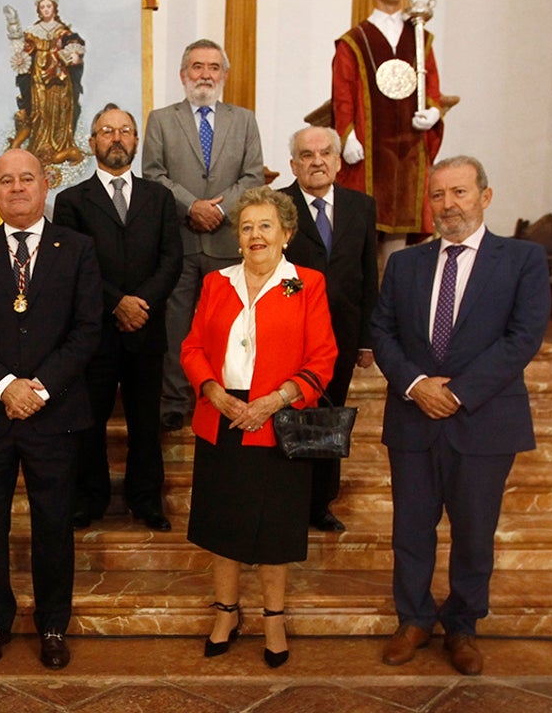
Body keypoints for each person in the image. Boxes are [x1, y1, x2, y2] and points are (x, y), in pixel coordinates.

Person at [371, 156, 549, 676]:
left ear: (485, 197)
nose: (448, 205)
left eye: (460, 193)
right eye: (438, 195)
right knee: (410, 529)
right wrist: (416, 384)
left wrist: (459, 392)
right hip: (413, 418)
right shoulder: (405, 265)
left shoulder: (522, 259)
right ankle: (414, 620)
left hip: (485, 419)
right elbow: (382, 332)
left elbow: (524, 337)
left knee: (474, 532)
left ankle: (464, 627)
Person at [0, 149, 102, 671]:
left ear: (45, 185)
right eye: (5, 180)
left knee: (53, 523)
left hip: (54, 414)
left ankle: (53, 625)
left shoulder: (77, 249)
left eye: (26, 179)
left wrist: (40, 388)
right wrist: (7, 385)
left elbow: (87, 329)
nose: (16, 188)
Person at [181, 185, 337, 669]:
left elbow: (323, 357)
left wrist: (273, 401)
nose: (255, 235)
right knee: (222, 522)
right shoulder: (216, 282)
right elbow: (191, 348)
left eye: (266, 225)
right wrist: (213, 392)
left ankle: (273, 617)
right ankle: (226, 612)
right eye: (246, 226)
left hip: (281, 418)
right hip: (222, 414)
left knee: (275, 528)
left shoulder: (306, 283)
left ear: (287, 233)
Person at [52, 103, 183, 531]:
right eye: (106, 131)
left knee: (147, 423)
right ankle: (88, 499)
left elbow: (172, 260)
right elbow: (76, 266)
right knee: (89, 422)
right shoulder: (71, 201)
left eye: (125, 131)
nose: (116, 138)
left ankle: (146, 500)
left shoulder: (160, 197)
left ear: (136, 141)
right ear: (91, 143)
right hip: (96, 333)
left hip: (147, 330)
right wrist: (117, 304)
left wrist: (141, 303)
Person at [141, 39, 265, 432]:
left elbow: (253, 176)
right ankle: (176, 401)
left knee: (225, 326)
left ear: (224, 75)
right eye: (197, 66)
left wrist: (219, 209)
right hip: (178, 238)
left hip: (228, 240)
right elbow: (154, 174)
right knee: (176, 326)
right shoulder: (161, 119)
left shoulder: (244, 120)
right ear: (183, 75)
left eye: (213, 67)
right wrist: (192, 205)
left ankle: (224, 396)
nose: (205, 74)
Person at [281, 126, 379, 532]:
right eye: (306, 154)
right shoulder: (277, 204)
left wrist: (367, 339)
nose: (316, 161)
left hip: (341, 335)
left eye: (325, 153)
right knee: (289, 418)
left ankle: (320, 504)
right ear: (293, 164)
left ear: (338, 161)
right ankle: (286, 501)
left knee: (329, 420)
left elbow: (367, 273)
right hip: (289, 334)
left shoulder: (362, 206)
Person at [332, 0, 444, 257]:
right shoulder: (355, 40)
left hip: (409, 148)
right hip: (369, 148)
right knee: (365, 227)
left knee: (402, 230)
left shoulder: (421, 38)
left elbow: (432, 83)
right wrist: (347, 135)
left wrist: (434, 112)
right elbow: (343, 90)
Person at [4, 0, 86, 166]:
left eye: (49, 6)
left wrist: (74, 56)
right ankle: (39, 145)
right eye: (43, 7)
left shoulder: (63, 31)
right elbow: (23, 49)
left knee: (59, 110)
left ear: (54, 7)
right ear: (39, 10)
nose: (46, 9)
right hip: (39, 77)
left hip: (59, 78)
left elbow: (75, 46)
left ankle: (61, 145)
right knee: (40, 112)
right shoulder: (33, 31)